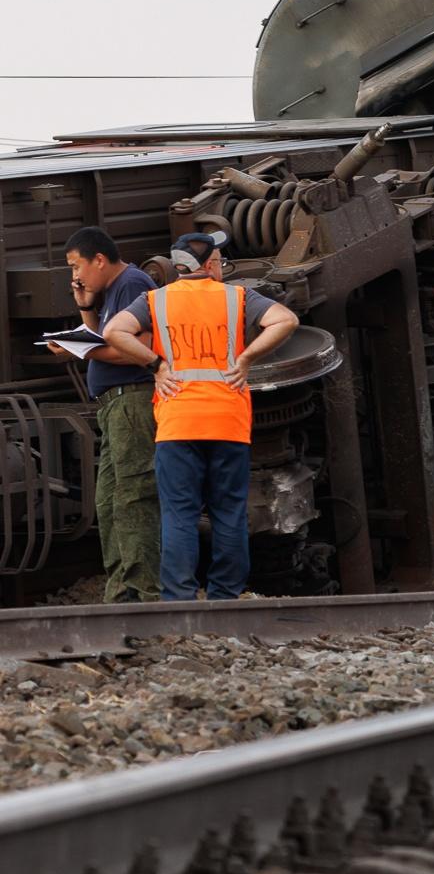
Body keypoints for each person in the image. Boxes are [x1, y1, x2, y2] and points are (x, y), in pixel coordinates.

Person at [103, 231, 298, 601]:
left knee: (179, 514)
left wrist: (156, 365)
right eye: (220, 260)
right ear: (208, 265)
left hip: (177, 424)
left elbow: (114, 331)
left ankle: (178, 599)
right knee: (228, 512)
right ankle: (226, 596)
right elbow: (285, 320)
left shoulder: (154, 301)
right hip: (228, 421)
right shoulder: (237, 297)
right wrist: (245, 359)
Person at [59, 227, 160, 602]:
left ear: (99, 259)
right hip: (115, 405)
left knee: (134, 496)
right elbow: (100, 336)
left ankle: (143, 590)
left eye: (76, 267)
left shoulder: (132, 284)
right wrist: (85, 304)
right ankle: (121, 589)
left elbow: (138, 349)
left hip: (132, 399)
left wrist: (78, 350)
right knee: (109, 499)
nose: (75, 276)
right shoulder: (111, 290)